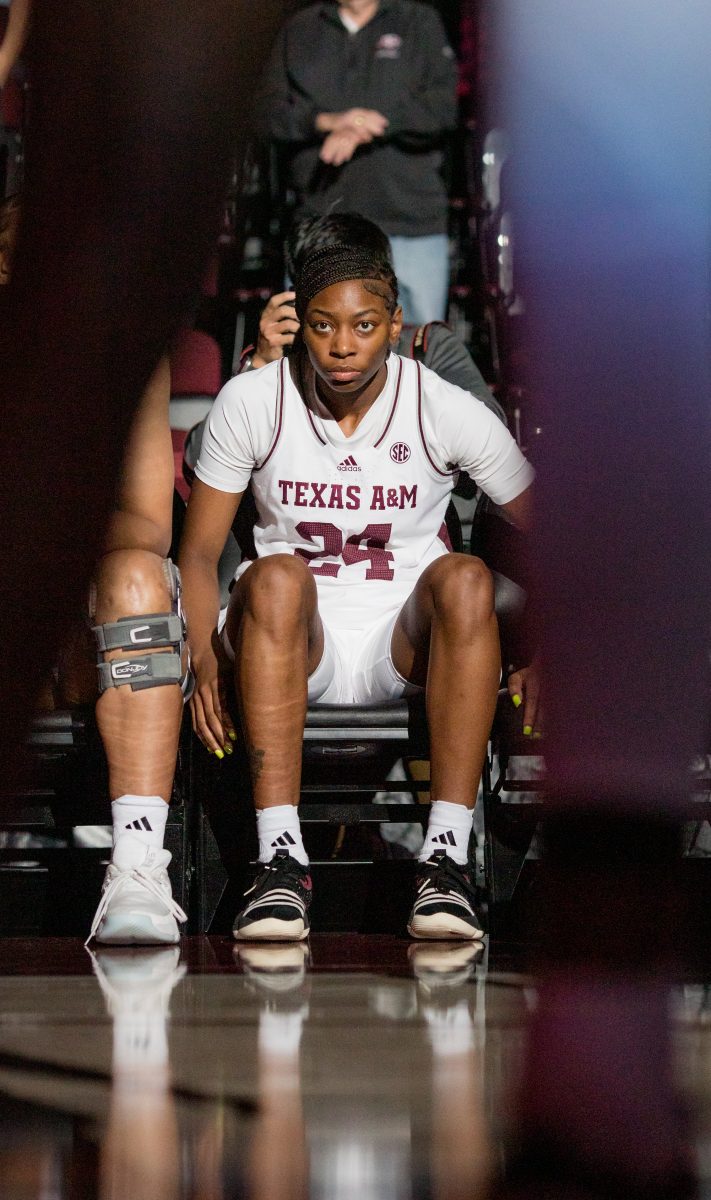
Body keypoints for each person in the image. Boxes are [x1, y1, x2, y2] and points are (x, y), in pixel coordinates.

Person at [180, 238, 534, 942]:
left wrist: (541, 650)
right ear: (298, 323)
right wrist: (203, 658)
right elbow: (196, 551)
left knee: (465, 577)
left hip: (398, 645)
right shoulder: (252, 399)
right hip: (286, 639)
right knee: (278, 576)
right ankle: (278, 864)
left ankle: (444, 863)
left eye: (363, 325)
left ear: (394, 325)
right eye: (322, 325)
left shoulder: (440, 405)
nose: (343, 345)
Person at [260, 0, 458, 324]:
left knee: (419, 355)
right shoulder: (300, 28)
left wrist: (368, 126)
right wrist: (328, 121)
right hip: (323, 225)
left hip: (410, 221)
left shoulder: (418, 22)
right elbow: (266, 115)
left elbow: (442, 110)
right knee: (313, 354)